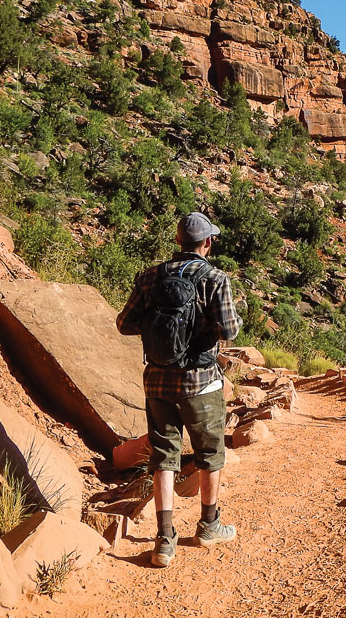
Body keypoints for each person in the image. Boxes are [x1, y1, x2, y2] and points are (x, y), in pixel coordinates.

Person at [116, 211, 243, 567]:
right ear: (208, 242)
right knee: (210, 454)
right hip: (201, 382)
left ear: (177, 241)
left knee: (164, 458)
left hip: (157, 381)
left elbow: (124, 324)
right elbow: (229, 332)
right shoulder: (215, 278)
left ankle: (163, 541)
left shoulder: (149, 277)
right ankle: (208, 525)